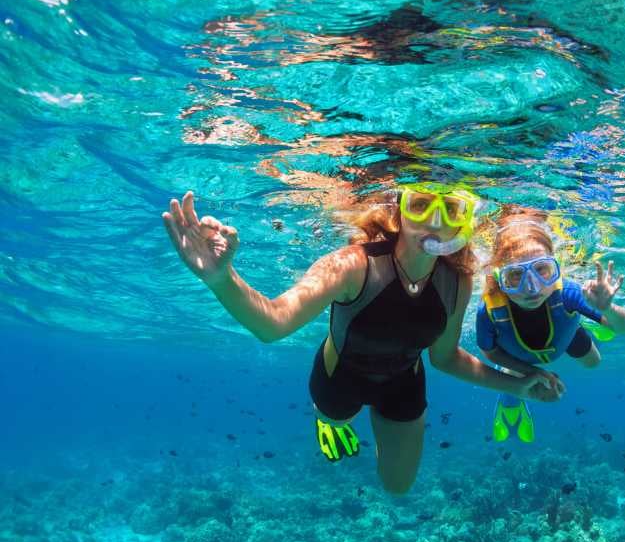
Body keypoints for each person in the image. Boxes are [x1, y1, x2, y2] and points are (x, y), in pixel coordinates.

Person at [161, 186, 560, 494]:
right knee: (336, 417)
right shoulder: (354, 264)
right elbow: (273, 324)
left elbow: (445, 358)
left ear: (462, 222)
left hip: (404, 381)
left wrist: (518, 385)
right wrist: (220, 278)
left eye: (451, 210)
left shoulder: (458, 280)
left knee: (398, 487)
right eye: (421, 205)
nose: (434, 222)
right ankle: (328, 421)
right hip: (340, 377)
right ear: (400, 211)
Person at [476, 209, 625, 443]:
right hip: (519, 356)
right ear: (500, 278)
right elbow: (489, 352)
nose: (532, 288)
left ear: (556, 267)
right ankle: (510, 408)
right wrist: (535, 373)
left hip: (565, 335)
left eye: (542, 270)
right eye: (515, 276)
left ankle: (590, 319)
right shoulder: (489, 310)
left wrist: (607, 309)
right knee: (514, 380)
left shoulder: (569, 292)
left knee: (594, 362)